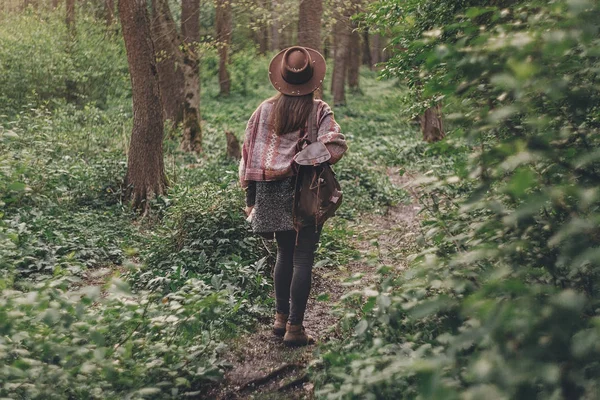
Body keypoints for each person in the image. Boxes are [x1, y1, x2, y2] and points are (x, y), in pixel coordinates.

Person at [238, 46, 348, 346]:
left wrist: (251, 200)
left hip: (270, 192)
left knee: (285, 255)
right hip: (305, 191)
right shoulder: (319, 110)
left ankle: (280, 319)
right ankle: (295, 329)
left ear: (282, 78)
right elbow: (336, 145)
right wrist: (304, 158)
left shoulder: (263, 111)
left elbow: (248, 156)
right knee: (302, 258)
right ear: (312, 77)